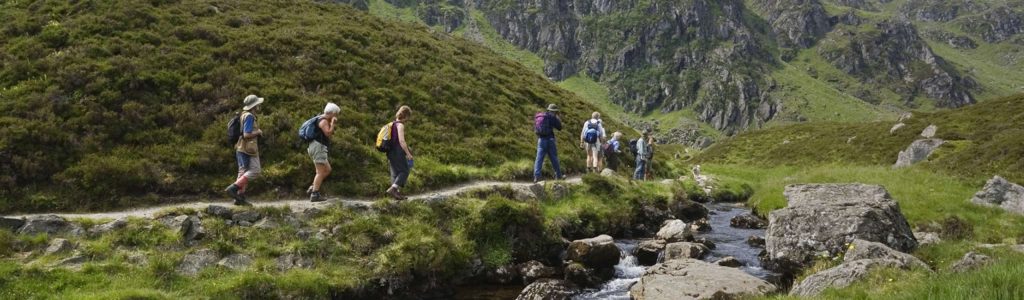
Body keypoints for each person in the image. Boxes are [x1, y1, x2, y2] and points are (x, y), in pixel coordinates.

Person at [225, 95, 265, 206]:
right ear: (254, 106)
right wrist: (258, 132)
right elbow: (247, 134)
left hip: (241, 147)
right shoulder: (249, 116)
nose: (259, 106)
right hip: (248, 148)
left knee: (243, 171)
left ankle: (239, 198)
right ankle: (233, 188)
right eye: (258, 104)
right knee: (255, 170)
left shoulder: (244, 114)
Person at [307, 102, 340, 202]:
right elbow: (328, 133)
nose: (336, 116)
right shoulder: (324, 121)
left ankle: (313, 187)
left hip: (317, 147)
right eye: (336, 114)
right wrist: (332, 124)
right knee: (320, 172)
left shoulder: (320, 118)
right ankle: (314, 194)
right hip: (319, 147)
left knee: (328, 169)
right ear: (332, 113)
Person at [386, 106, 414, 200]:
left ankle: (396, 194)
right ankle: (393, 189)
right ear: (405, 115)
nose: (408, 119)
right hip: (397, 151)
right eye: (408, 117)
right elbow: (402, 141)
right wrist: (408, 154)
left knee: (395, 173)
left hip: (390, 151)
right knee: (404, 171)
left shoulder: (392, 124)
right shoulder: (400, 125)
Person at [534, 104, 564, 182]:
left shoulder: (541, 116)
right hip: (550, 140)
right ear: (555, 111)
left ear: (548, 110)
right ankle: (558, 175)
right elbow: (560, 127)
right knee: (554, 158)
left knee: (539, 158)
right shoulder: (553, 117)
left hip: (541, 140)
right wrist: (558, 118)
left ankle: (537, 176)